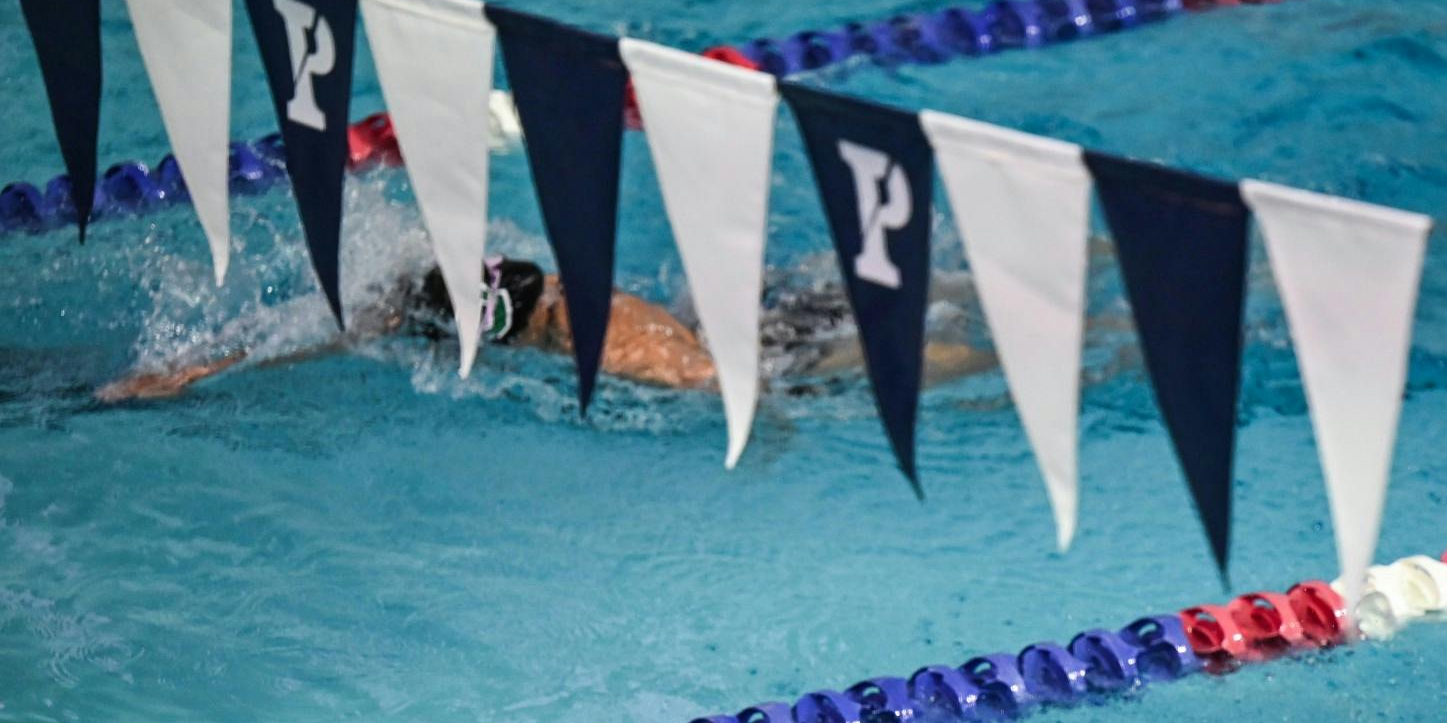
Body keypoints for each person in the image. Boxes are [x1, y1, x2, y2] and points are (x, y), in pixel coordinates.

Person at [96, 257, 993, 402]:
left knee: (935, 358)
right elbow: (342, 326)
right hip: (746, 315)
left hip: (761, 352)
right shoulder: (432, 291)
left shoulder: (599, 341)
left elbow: (721, 386)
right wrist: (201, 367)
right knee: (932, 280)